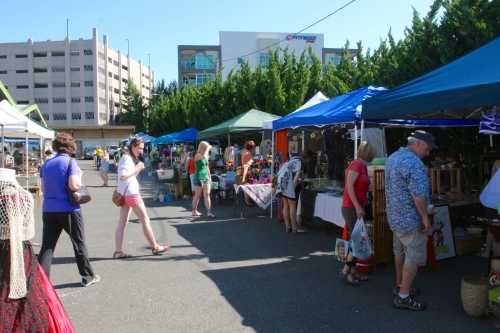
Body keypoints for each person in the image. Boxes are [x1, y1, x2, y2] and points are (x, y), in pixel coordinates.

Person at [0, 168, 76, 332]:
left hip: (5, 251)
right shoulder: (24, 197)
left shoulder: (10, 198)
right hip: (22, 251)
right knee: (31, 293)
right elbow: (28, 232)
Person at [39, 132, 100, 287]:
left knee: (47, 246)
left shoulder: (47, 163)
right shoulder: (70, 162)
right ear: (70, 147)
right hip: (69, 208)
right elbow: (74, 185)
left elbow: (44, 189)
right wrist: (79, 175)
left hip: (49, 209)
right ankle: (87, 276)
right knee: (78, 242)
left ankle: (41, 282)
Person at [385, 130, 437, 311]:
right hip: (410, 220)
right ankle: (403, 296)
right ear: (419, 144)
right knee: (413, 257)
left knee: (399, 252)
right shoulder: (414, 164)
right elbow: (418, 196)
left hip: (394, 217)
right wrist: (425, 218)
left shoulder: (393, 157)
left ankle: (400, 285)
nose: (428, 153)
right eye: (428, 149)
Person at [114, 137, 169, 258]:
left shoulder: (127, 158)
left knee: (123, 222)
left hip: (125, 194)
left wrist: (137, 168)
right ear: (133, 146)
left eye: (142, 149)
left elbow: (126, 176)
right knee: (145, 219)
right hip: (131, 194)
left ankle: (118, 251)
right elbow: (124, 176)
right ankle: (155, 247)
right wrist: (138, 168)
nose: (141, 151)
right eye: (139, 148)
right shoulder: (126, 158)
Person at [340, 141, 375, 286]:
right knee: (357, 239)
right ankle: (347, 269)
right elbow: (349, 186)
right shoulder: (357, 165)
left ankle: (352, 272)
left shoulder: (362, 166)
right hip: (351, 207)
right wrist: (358, 207)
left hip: (355, 207)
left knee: (356, 239)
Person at [276, 155, 306, 233]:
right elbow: (296, 177)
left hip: (281, 182)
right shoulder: (299, 162)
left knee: (285, 204)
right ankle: (294, 228)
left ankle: (287, 227)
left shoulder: (288, 162)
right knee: (292, 205)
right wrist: (293, 187)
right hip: (287, 182)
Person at [192, 141, 215, 218]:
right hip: (199, 177)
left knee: (207, 194)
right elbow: (204, 157)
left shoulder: (205, 155)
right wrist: (208, 148)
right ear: (202, 148)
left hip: (205, 177)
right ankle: (194, 211)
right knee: (197, 195)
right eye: (205, 148)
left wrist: (210, 177)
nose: (206, 149)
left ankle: (209, 212)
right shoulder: (198, 155)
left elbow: (207, 166)